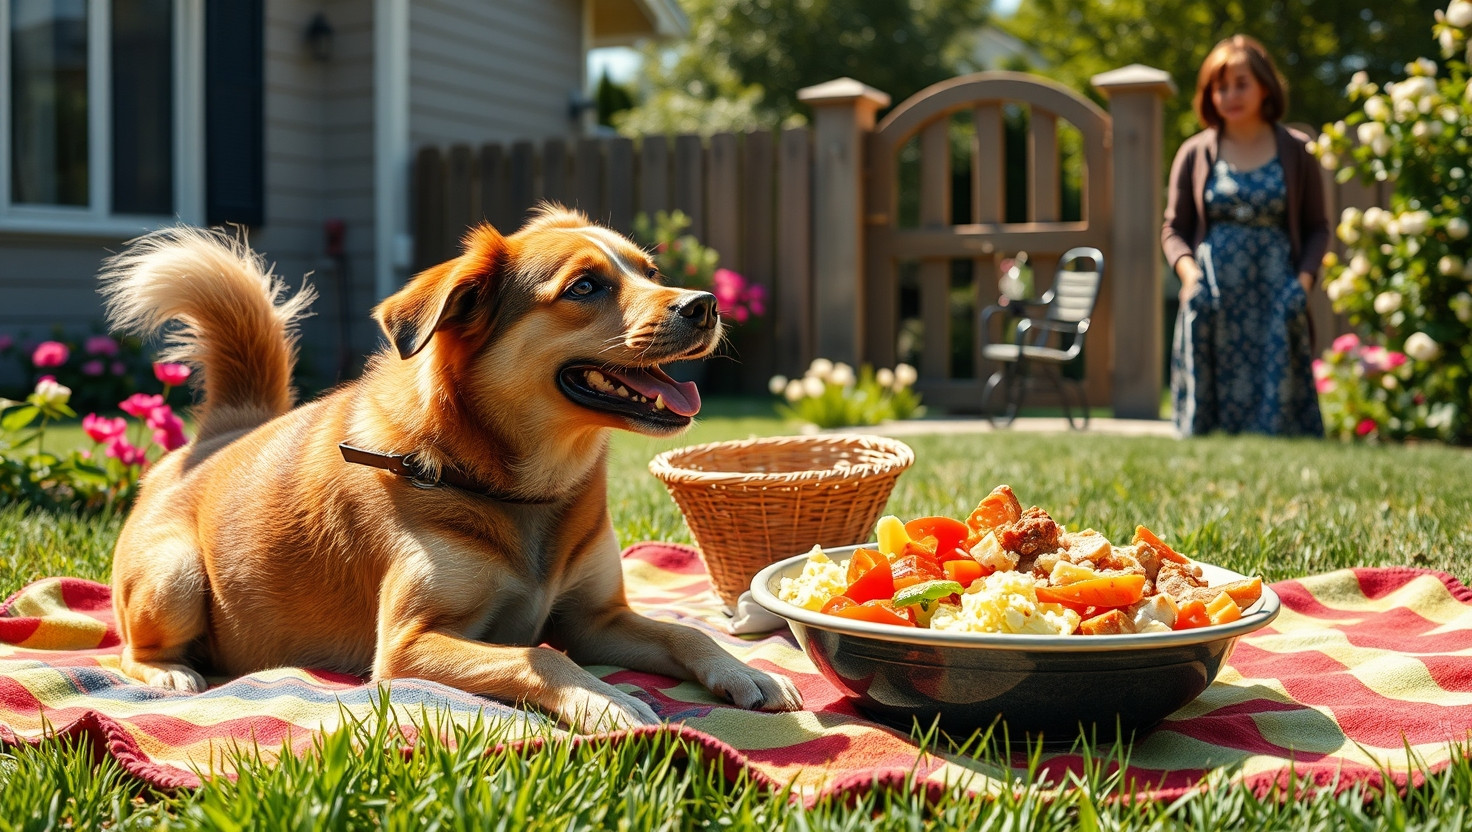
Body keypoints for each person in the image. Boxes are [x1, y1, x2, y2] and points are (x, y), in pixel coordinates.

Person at [1162, 35, 1328, 437]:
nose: (1230, 95)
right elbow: (1174, 229)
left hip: (1275, 293)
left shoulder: (1298, 151)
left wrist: (1301, 286)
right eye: (1220, 87)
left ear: (1265, 86)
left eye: (1241, 83)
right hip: (1214, 296)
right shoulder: (1194, 152)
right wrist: (1190, 279)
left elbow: (1318, 229)